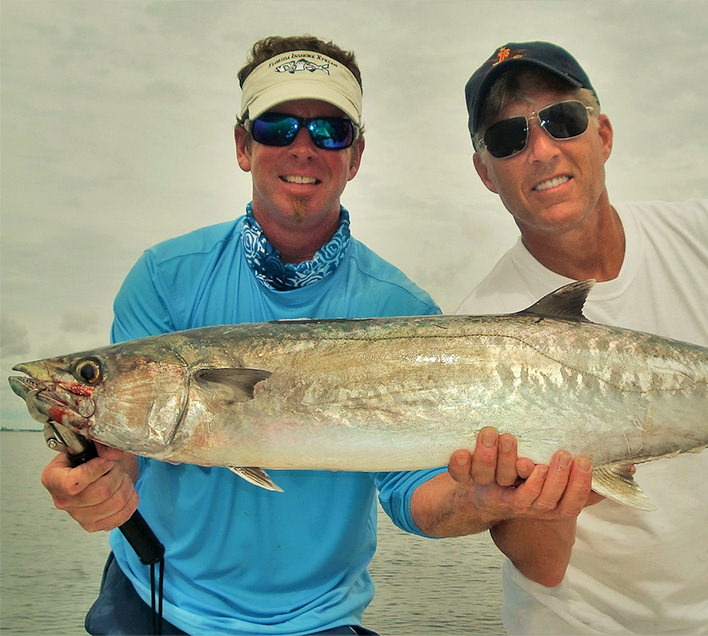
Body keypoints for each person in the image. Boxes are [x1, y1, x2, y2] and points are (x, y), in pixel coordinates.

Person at [39, 35, 591, 636]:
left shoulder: (401, 309)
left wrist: (490, 502)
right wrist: (99, 483)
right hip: (152, 599)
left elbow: (411, 492)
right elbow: (128, 454)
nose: (303, 148)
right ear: (243, 145)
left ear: (355, 157)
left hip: (317, 622)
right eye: (277, 126)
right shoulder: (164, 278)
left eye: (329, 131)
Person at [459, 40, 708, 634]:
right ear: (486, 172)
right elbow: (541, 564)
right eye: (508, 138)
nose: (541, 150)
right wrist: (544, 506)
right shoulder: (479, 331)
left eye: (563, 120)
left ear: (603, 134)